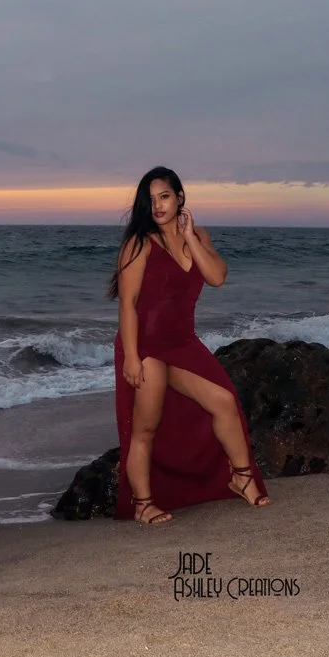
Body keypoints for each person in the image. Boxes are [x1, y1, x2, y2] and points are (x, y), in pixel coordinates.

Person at [107, 166, 271, 525]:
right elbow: (128, 304)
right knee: (145, 428)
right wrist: (132, 357)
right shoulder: (138, 243)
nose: (158, 206)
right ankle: (142, 503)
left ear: (180, 197)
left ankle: (242, 478)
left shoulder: (197, 235)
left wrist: (190, 238)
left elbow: (216, 277)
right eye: (150, 201)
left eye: (164, 196)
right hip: (146, 346)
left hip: (182, 343)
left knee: (224, 402)